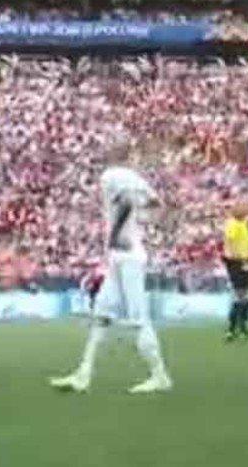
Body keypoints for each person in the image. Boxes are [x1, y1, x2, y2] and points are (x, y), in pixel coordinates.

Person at [50, 150, 173, 394]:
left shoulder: (113, 176)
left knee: (138, 319)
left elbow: (129, 205)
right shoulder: (136, 180)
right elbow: (157, 206)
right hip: (121, 257)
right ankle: (84, 373)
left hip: (127, 257)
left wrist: (120, 231)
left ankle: (160, 376)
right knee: (102, 316)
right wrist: (142, 220)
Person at [222, 203, 248, 343]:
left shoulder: (242, 223)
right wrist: (241, 259)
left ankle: (238, 327)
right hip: (236, 262)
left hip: (242, 261)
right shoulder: (232, 224)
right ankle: (235, 328)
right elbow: (230, 242)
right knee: (242, 294)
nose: (247, 214)